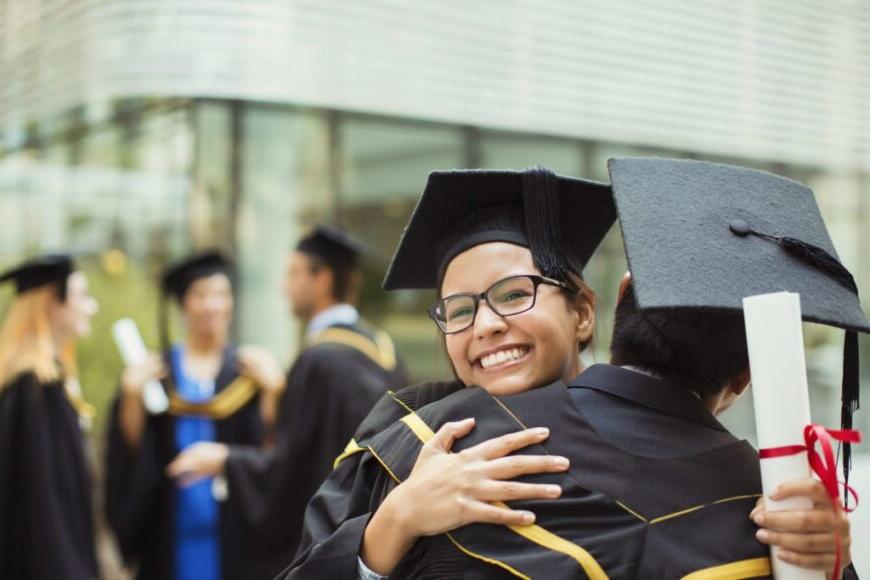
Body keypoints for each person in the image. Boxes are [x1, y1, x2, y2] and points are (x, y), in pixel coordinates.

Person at [283, 164, 857, 579]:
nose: (484, 324)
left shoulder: (749, 487)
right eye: (459, 310)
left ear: (584, 311)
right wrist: (393, 522)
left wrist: (825, 556)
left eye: (513, 294)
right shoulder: (413, 438)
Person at [167, 225, 409, 579]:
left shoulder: (320, 361)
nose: (284, 287)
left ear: (322, 279)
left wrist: (226, 460)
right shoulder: (382, 349)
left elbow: (293, 473)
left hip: (334, 540)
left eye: (293, 274)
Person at [105, 250, 284, 580]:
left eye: (221, 294)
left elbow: (274, 447)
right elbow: (131, 452)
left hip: (235, 529)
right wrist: (131, 395)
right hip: (170, 528)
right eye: (201, 295)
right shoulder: (160, 372)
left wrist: (274, 391)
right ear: (183, 305)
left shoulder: (247, 371)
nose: (213, 305)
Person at [0, 254, 100, 579]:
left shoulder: (49, 380)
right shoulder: (34, 388)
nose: (91, 307)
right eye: (81, 296)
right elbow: (42, 501)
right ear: (51, 304)